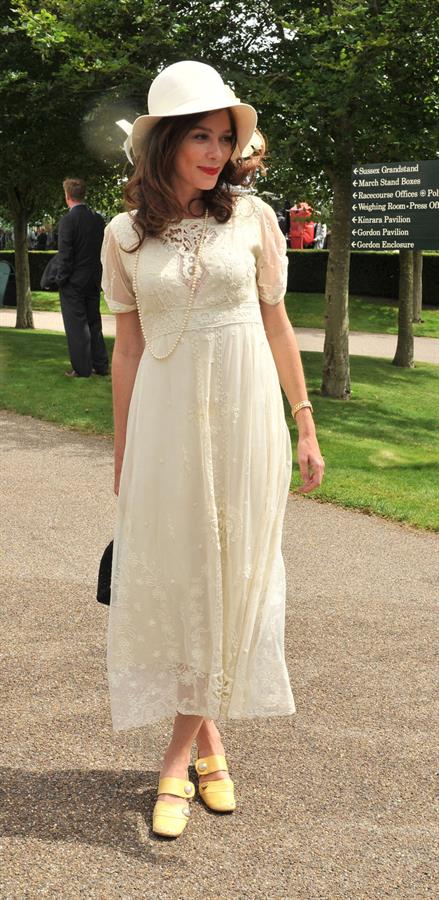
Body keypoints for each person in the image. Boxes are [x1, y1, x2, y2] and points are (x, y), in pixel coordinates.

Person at [101, 60, 324, 839]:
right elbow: (126, 351)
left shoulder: (255, 218)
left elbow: (276, 325)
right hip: (164, 423)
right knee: (182, 576)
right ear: (162, 142)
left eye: (224, 138)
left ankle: (174, 759)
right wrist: (124, 451)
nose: (214, 151)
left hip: (244, 418)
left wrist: (303, 420)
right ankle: (208, 742)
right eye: (199, 135)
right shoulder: (122, 234)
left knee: (233, 574)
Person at [57, 177, 108, 377]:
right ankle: (101, 365)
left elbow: (65, 255)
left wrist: (61, 279)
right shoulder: (97, 219)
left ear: (67, 196)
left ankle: (82, 369)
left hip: (74, 282)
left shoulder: (68, 220)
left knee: (77, 326)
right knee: (94, 323)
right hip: (93, 279)